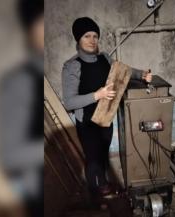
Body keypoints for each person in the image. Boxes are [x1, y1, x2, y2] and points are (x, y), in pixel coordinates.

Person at [62, 17, 152, 200]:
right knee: (93, 158)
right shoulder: (72, 66)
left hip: (106, 116)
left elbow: (123, 70)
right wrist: (98, 95)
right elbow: (69, 103)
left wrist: (142, 74)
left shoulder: (104, 58)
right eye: (87, 36)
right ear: (78, 39)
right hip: (87, 122)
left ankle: (101, 183)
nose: (92, 40)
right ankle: (98, 193)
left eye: (95, 36)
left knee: (103, 153)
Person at [0, 0, 44, 216]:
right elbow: (9, 154)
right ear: (29, 30)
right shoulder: (19, 82)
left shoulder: (48, 77)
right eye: (41, 22)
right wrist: (50, 146)